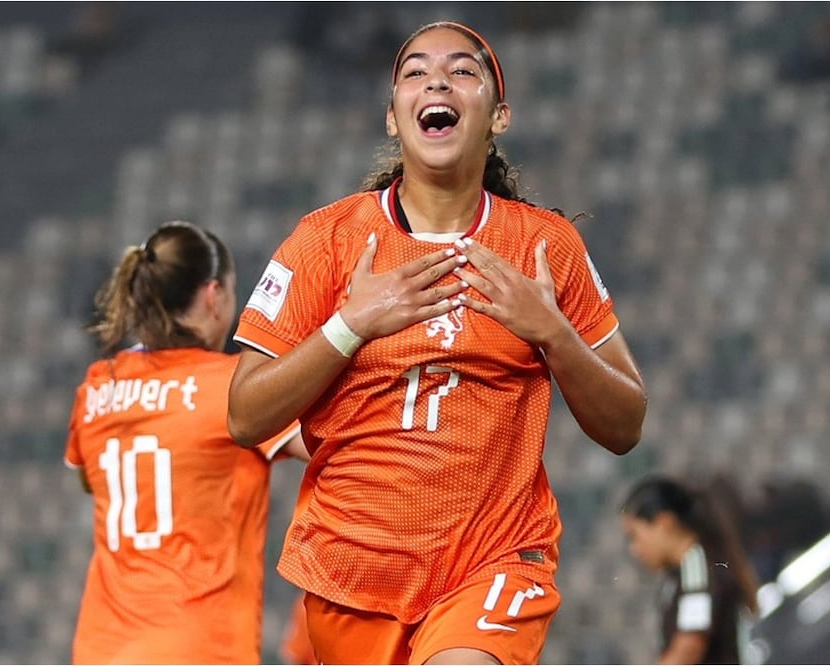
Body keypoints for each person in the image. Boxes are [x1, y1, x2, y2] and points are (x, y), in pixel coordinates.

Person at [228, 20, 647, 665]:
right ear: (393, 117)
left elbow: (625, 425)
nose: (437, 82)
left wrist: (553, 334)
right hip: (352, 572)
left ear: (498, 116)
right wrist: (349, 326)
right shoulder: (325, 241)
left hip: (495, 557)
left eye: (462, 71)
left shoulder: (545, 246)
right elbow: (244, 415)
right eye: (416, 73)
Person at [64, 220, 308, 664]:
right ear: (214, 295)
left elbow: (89, 477)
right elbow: (329, 447)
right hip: (198, 647)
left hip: (101, 649)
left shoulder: (99, 384)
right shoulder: (229, 388)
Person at [620, 476, 760, 665]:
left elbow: (690, 647)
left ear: (664, 522)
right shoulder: (679, 574)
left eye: (634, 536)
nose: (634, 549)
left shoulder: (697, 568)